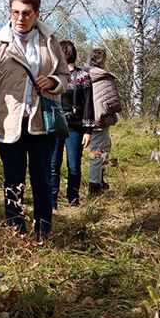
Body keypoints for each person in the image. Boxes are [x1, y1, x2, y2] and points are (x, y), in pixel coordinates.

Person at [0, 0, 68, 241]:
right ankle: (16, 229)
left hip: (41, 123)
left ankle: (43, 230)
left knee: (42, 178)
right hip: (8, 124)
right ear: (10, 12)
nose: (20, 18)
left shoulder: (49, 41)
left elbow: (64, 75)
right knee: (13, 179)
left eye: (26, 13)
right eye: (15, 12)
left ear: (36, 13)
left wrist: (53, 82)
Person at [49, 40, 94, 208]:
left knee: (74, 165)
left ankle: (73, 198)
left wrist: (88, 130)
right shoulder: (51, 76)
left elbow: (89, 104)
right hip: (53, 126)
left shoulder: (83, 76)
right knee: (53, 164)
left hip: (75, 127)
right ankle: (52, 201)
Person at [86, 48, 120, 193]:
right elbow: (113, 101)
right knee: (100, 150)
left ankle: (99, 179)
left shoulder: (82, 74)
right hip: (100, 119)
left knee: (100, 148)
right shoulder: (105, 77)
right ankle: (95, 185)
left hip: (84, 118)